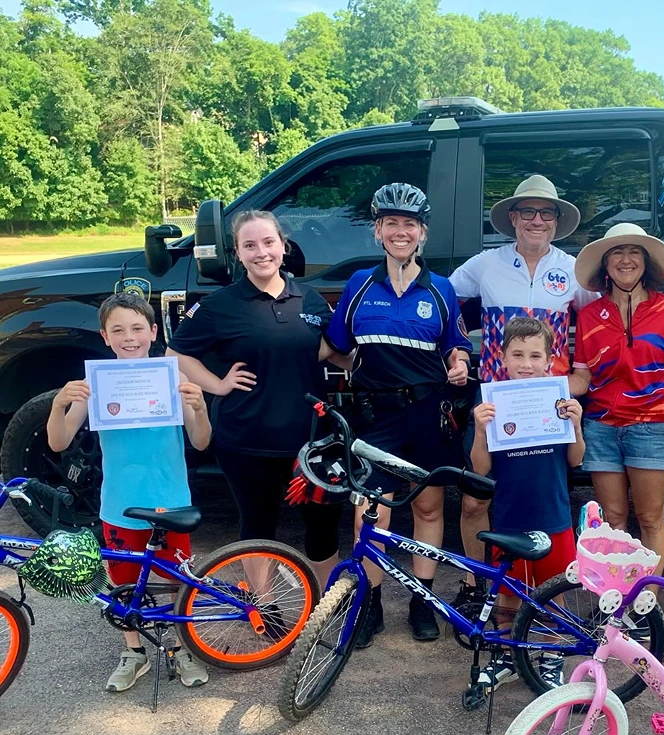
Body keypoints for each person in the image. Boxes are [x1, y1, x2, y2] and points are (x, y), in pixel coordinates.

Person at [321, 183, 472, 646]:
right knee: (373, 512)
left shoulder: (441, 289)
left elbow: (457, 347)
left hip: (428, 412)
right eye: (391, 223)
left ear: (422, 232)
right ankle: (368, 604)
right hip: (375, 416)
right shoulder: (360, 285)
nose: (400, 231)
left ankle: (422, 599)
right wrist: (357, 366)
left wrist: (460, 364)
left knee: (428, 506)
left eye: (409, 224)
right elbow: (332, 348)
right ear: (378, 231)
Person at [167, 210, 345, 591]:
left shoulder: (310, 300)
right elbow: (175, 355)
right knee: (258, 524)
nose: (261, 252)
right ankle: (263, 608)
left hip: (311, 441)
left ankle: (327, 605)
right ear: (238, 253)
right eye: (250, 245)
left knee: (322, 523)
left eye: (268, 242)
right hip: (247, 439)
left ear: (283, 246)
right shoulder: (221, 305)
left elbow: (330, 350)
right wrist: (216, 384)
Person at [46, 292, 213, 692]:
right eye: (118, 330)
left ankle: (178, 646)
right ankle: (133, 649)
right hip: (121, 505)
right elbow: (58, 441)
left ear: (153, 332)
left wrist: (200, 408)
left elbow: (201, 441)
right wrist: (58, 404)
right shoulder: (95, 384)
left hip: (170, 501)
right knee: (122, 581)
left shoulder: (174, 378)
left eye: (138, 328)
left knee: (177, 580)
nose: (129, 337)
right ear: (105, 336)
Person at [449, 174, 597, 614]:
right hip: (496, 399)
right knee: (479, 495)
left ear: (556, 221)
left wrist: (582, 376)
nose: (536, 220)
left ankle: (547, 600)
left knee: (541, 489)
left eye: (546, 213)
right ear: (513, 218)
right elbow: (442, 302)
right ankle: (483, 585)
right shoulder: (485, 263)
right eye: (527, 212)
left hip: (549, 402)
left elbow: (596, 323)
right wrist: (455, 351)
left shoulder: (573, 269)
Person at [570, 224, 664, 573]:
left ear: (645, 263)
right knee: (614, 519)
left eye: (634, 252)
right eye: (617, 253)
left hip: (653, 425)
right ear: (605, 265)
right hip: (601, 427)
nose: (626, 260)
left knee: (650, 518)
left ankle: (645, 602)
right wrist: (545, 384)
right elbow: (582, 377)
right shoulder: (590, 315)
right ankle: (618, 603)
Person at [470, 315, 585, 691]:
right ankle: (507, 654)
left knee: (555, 594)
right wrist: (480, 429)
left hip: (553, 515)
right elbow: (481, 468)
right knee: (508, 593)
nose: (526, 364)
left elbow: (575, 460)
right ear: (502, 357)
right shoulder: (494, 402)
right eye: (517, 354)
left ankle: (551, 658)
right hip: (509, 518)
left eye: (535, 356)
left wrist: (577, 425)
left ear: (549, 360)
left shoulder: (559, 402)